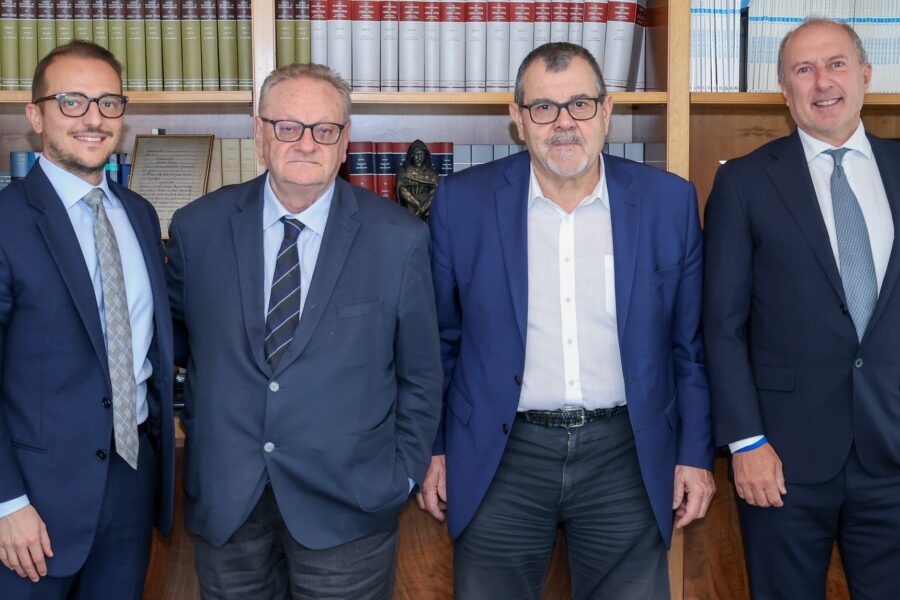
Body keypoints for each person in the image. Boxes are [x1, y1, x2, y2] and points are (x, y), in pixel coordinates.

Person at [418, 42, 715, 599]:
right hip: (500, 455)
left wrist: (694, 455)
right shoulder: (462, 203)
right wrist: (434, 448)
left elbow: (688, 346)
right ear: (517, 118)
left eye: (580, 104)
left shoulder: (668, 202)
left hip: (626, 455)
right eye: (543, 108)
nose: (563, 123)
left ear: (606, 111)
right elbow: (438, 342)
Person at [165, 62, 442, 599]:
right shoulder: (198, 229)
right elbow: (175, 345)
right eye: (288, 126)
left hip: (348, 508)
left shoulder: (398, 239)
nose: (307, 143)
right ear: (259, 134)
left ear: (345, 141)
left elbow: (422, 375)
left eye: (325, 129)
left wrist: (403, 475)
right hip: (228, 504)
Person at [703, 18, 900, 599]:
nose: (823, 82)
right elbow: (721, 326)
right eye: (803, 70)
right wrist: (746, 443)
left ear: (866, 75)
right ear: (784, 90)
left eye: (837, 64)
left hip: (893, 456)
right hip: (781, 462)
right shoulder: (743, 183)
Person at [0, 41, 175, 598]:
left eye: (109, 102)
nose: (94, 118)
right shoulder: (6, 221)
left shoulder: (139, 214)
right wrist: (5, 501)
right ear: (36, 116)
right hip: (31, 503)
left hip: (132, 483)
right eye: (71, 102)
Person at [396, 139, 439, 220]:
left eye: (422, 155)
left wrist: (424, 208)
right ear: (411, 155)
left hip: (427, 209)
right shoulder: (403, 171)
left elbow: (436, 192)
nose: (419, 158)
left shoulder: (432, 174)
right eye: (416, 154)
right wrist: (418, 205)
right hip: (409, 207)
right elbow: (401, 189)